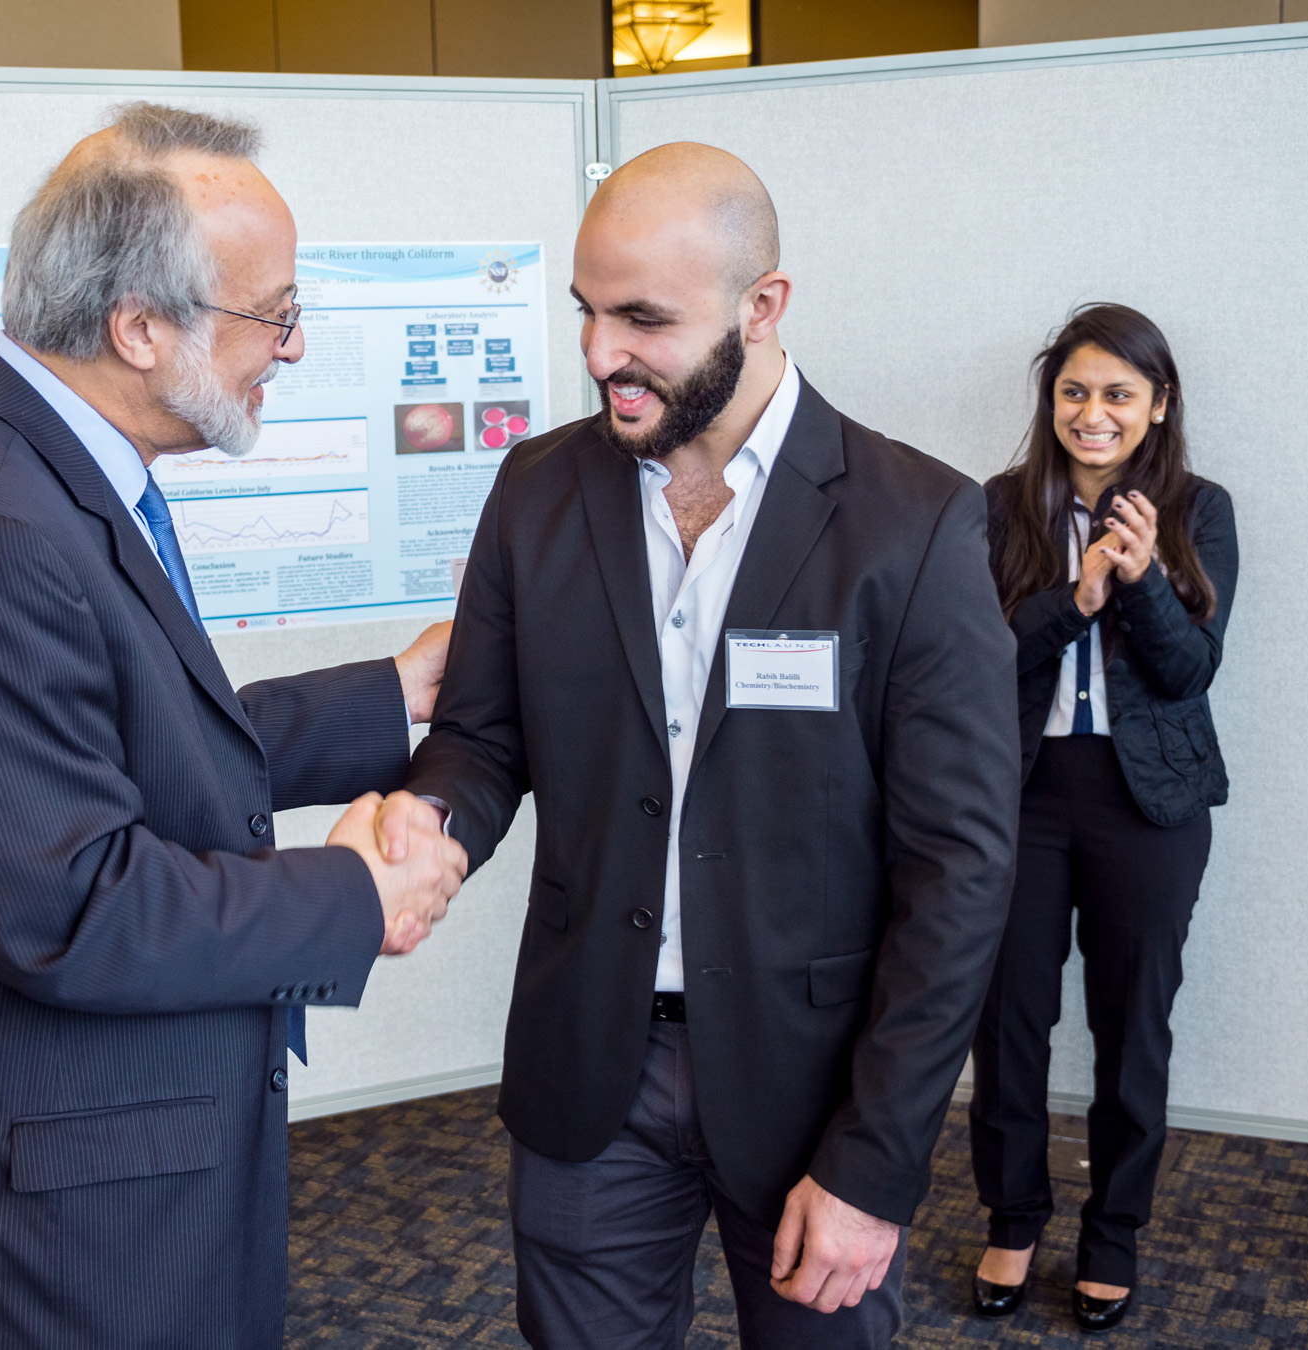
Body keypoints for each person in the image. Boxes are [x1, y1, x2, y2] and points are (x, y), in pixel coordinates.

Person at [0, 103, 468, 1349]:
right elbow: (69, 905)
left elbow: (126, 746)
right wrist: (353, 895)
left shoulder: (37, 466)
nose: (294, 346)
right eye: (270, 315)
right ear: (141, 326)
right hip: (39, 1221)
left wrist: (396, 692)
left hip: (71, 1167)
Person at [395, 142, 1020, 1349]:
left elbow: (961, 872)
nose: (597, 357)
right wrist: (430, 828)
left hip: (815, 1089)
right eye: (585, 312)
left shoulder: (915, 523)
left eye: (641, 320)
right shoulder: (536, 491)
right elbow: (481, 736)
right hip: (591, 1072)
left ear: (763, 305)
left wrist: (879, 1164)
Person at [969, 303, 1237, 1332]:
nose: (1093, 412)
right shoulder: (998, 509)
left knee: (1134, 1032)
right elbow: (978, 660)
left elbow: (1190, 671)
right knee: (1007, 1022)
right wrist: (1074, 598)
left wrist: (1139, 586)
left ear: (1157, 406)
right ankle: (1014, 1216)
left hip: (1150, 807)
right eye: (1075, 391)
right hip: (1022, 798)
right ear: (1051, 401)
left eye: (1118, 394)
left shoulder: (1200, 509)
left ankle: (1114, 1235)